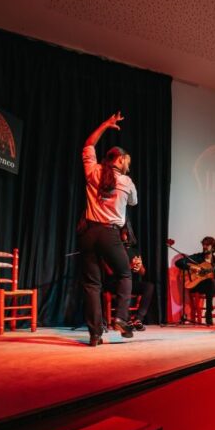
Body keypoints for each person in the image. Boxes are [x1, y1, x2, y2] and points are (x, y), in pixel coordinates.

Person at [78, 111, 137, 346]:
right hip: (109, 234)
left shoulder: (93, 172)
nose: (128, 168)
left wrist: (105, 124)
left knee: (92, 284)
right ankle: (121, 317)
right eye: (127, 163)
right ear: (120, 160)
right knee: (124, 274)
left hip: (88, 233)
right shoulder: (126, 182)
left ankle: (94, 335)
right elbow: (133, 202)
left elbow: (89, 143)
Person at [174, 236, 215, 326]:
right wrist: (191, 267)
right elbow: (178, 262)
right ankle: (208, 313)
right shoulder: (197, 257)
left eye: (207, 245)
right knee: (211, 282)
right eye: (203, 245)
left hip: (212, 286)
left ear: (213, 247)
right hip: (198, 286)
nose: (204, 247)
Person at [102, 227, 154, 330]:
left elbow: (143, 272)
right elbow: (110, 271)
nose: (126, 236)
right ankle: (126, 319)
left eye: (127, 233)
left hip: (129, 282)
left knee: (149, 286)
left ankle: (138, 319)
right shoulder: (112, 250)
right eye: (124, 233)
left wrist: (138, 267)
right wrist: (129, 266)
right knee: (123, 287)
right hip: (114, 282)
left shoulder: (134, 250)